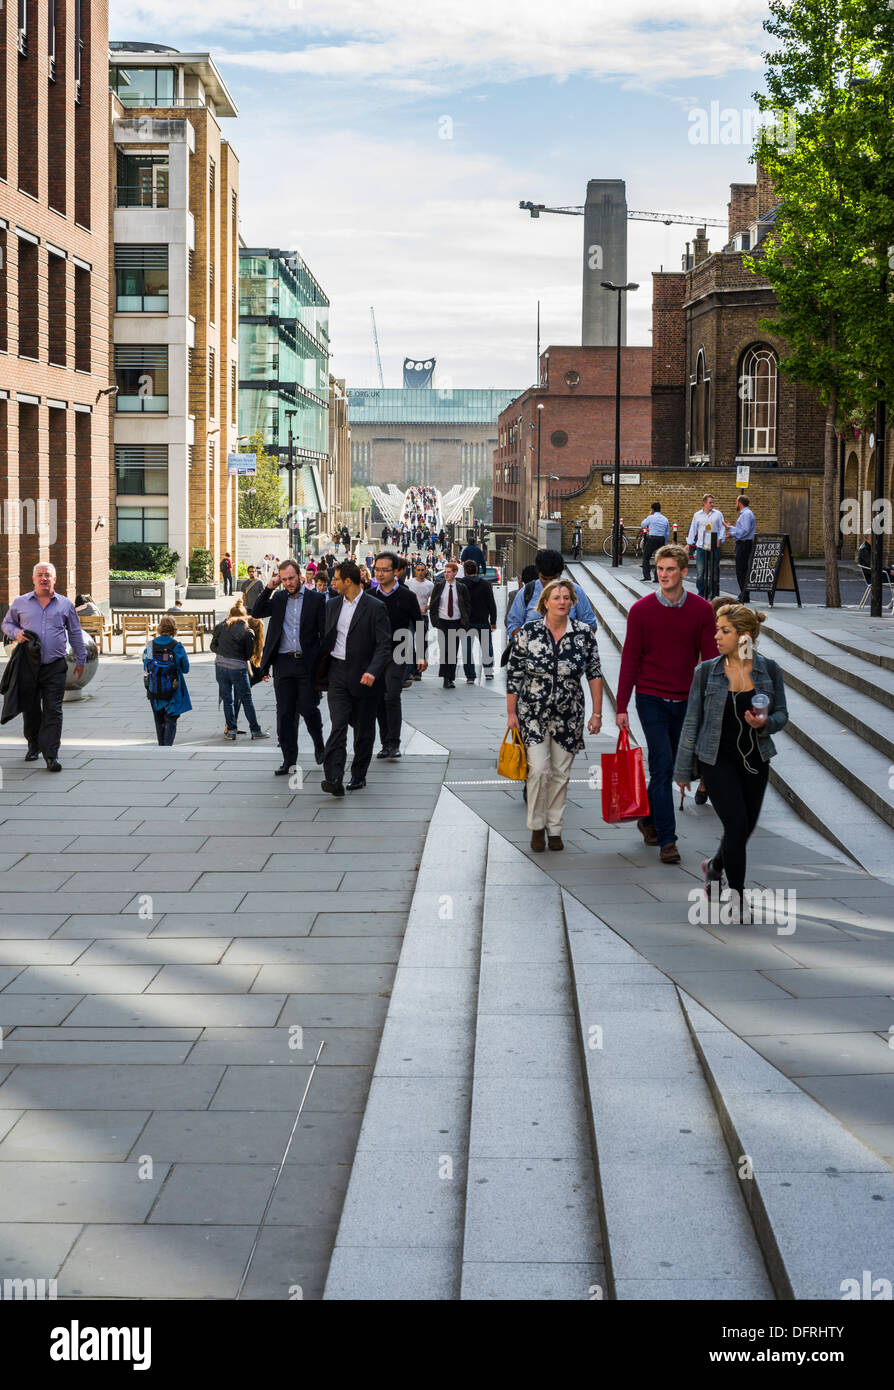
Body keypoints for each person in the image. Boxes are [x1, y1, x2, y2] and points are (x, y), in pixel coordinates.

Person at [674, 604, 788, 920]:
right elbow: (691, 720)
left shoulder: (769, 670)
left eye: (724, 630)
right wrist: (683, 769)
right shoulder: (706, 671)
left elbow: (782, 714)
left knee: (743, 830)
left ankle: (714, 866)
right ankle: (737, 899)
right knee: (736, 825)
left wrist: (764, 724)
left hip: (755, 761)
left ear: (744, 636)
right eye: (717, 629)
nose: (717, 636)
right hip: (716, 760)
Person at [616, 544, 716, 865]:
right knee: (661, 766)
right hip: (650, 698)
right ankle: (668, 840)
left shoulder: (701, 610)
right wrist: (621, 707)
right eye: (660, 569)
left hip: (685, 699)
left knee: (672, 766)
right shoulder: (641, 611)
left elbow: (710, 662)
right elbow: (630, 659)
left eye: (670, 569)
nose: (663, 575)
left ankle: (646, 818)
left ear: (685, 572)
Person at [507, 579, 603, 852]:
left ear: (572, 603)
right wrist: (511, 712)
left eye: (566, 598)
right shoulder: (529, 632)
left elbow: (594, 673)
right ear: (545, 603)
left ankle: (555, 827)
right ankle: (537, 825)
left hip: (569, 714)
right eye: (556, 597)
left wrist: (597, 713)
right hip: (533, 713)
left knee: (561, 773)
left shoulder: (584, 634)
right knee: (538, 769)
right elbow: (515, 673)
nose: (562, 602)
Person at [1, 562, 86, 770]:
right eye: (40, 575)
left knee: (53, 710)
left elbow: (75, 632)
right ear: (33, 579)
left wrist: (81, 660)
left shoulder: (65, 604)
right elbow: (6, 623)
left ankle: (51, 754)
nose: (44, 578)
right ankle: (33, 744)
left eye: (48, 575)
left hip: (55, 666)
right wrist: (16, 633)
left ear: (54, 579)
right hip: (28, 665)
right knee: (31, 709)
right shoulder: (20, 602)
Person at [320, 559, 392, 795]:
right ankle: (333, 777)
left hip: (364, 677)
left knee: (363, 731)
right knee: (338, 725)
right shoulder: (332, 605)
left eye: (337, 579)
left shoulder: (375, 607)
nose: (333, 582)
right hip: (337, 673)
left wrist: (372, 670)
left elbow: (384, 645)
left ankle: (358, 775)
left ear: (348, 581)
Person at [253, 559, 327, 774]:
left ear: (300, 576)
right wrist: (270, 587)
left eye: (291, 578)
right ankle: (289, 759)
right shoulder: (278, 597)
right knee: (285, 713)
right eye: (284, 579)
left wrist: (322, 663)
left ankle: (318, 743)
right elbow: (256, 612)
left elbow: (323, 633)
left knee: (308, 708)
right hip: (283, 663)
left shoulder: (316, 599)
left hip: (306, 663)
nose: (288, 583)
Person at [372, 551, 425, 760]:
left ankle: (394, 743)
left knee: (392, 696)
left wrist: (421, 655)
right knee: (377, 700)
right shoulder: (369, 595)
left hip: (398, 653)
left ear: (396, 572)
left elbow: (419, 624)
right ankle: (385, 743)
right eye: (377, 569)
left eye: (385, 570)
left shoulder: (407, 596)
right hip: (374, 655)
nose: (380, 573)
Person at [506, 549, 598, 640]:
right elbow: (513, 625)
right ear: (538, 574)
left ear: (560, 574)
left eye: (554, 579)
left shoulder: (576, 591)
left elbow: (590, 624)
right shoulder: (526, 592)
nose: (549, 584)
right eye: (544, 579)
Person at [210, 602, 270, 742]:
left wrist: (224, 653)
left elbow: (213, 646)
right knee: (246, 700)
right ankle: (255, 730)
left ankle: (231, 730)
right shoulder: (247, 631)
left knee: (227, 700)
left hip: (220, 666)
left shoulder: (221, 626)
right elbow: (248, 654)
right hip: (238, 668)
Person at [142, 615, 192, 746]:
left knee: (159, 721)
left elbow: (146, 665)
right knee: (171, 720)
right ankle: (167, 747)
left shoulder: (150, 645)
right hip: (173, 690)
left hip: (154, 688)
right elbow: (186, 668)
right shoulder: (177, 646)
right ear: (173, 629)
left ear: (160, 628)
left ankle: (161, 746)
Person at [430, 560, 470, 688]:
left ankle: (450, 677)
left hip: (456, 622)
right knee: (444, 650)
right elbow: (434, 604)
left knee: (452, 650)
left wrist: (464, 621)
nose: (446, 574)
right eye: (445, 572)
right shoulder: (439, 586)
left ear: (455, 573)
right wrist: (435, 620)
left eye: (449, 572)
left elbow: (467, 605)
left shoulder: (462, 587)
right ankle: (445, 677)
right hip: (442, 622)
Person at [461, 559, 497, 682]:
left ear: (465, 571)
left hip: (466, 622)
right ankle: (488, 672)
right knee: (487, 647)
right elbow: (491, 604)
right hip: (482, 620)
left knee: (467, 649)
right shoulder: (485, 584)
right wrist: (493, 620)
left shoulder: (460, 584)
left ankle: (470, 676)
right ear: (476, 570)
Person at [686, 494, 727, 598]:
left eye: (713, 502)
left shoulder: (718, 514)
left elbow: (722, 528)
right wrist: (689, 543)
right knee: (700, 572)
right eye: (710, 502)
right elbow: (693, 529)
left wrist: (720, 540)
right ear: (704, 503)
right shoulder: (697, 515)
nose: (712, 504)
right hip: (701, 547)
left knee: (714, 572)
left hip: (714, 547)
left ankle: (712, 593)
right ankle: (701, 592)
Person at [731, 495, 757, 602]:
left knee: (741, 571)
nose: (736, 504)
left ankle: (744, 595)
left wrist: (732, 533)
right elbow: (742, 529)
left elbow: (744, 531)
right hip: (745, 544)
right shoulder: (747, 513)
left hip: (743, 544)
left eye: (736, 502)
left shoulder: (746, 514)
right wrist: (731, 528)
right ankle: (745, 594)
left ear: (740, 503)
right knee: (743, 570)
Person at [640, 502, 670, 582]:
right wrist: (665, 542)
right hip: (661, 539)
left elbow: (643, 525)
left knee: (646, 557)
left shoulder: (651, 517)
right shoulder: (665, 519)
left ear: (652, 509)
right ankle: (657, 578)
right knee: (659, 559)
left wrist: (649, 515)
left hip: (652, 539)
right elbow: (667, 533)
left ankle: (647, 576)